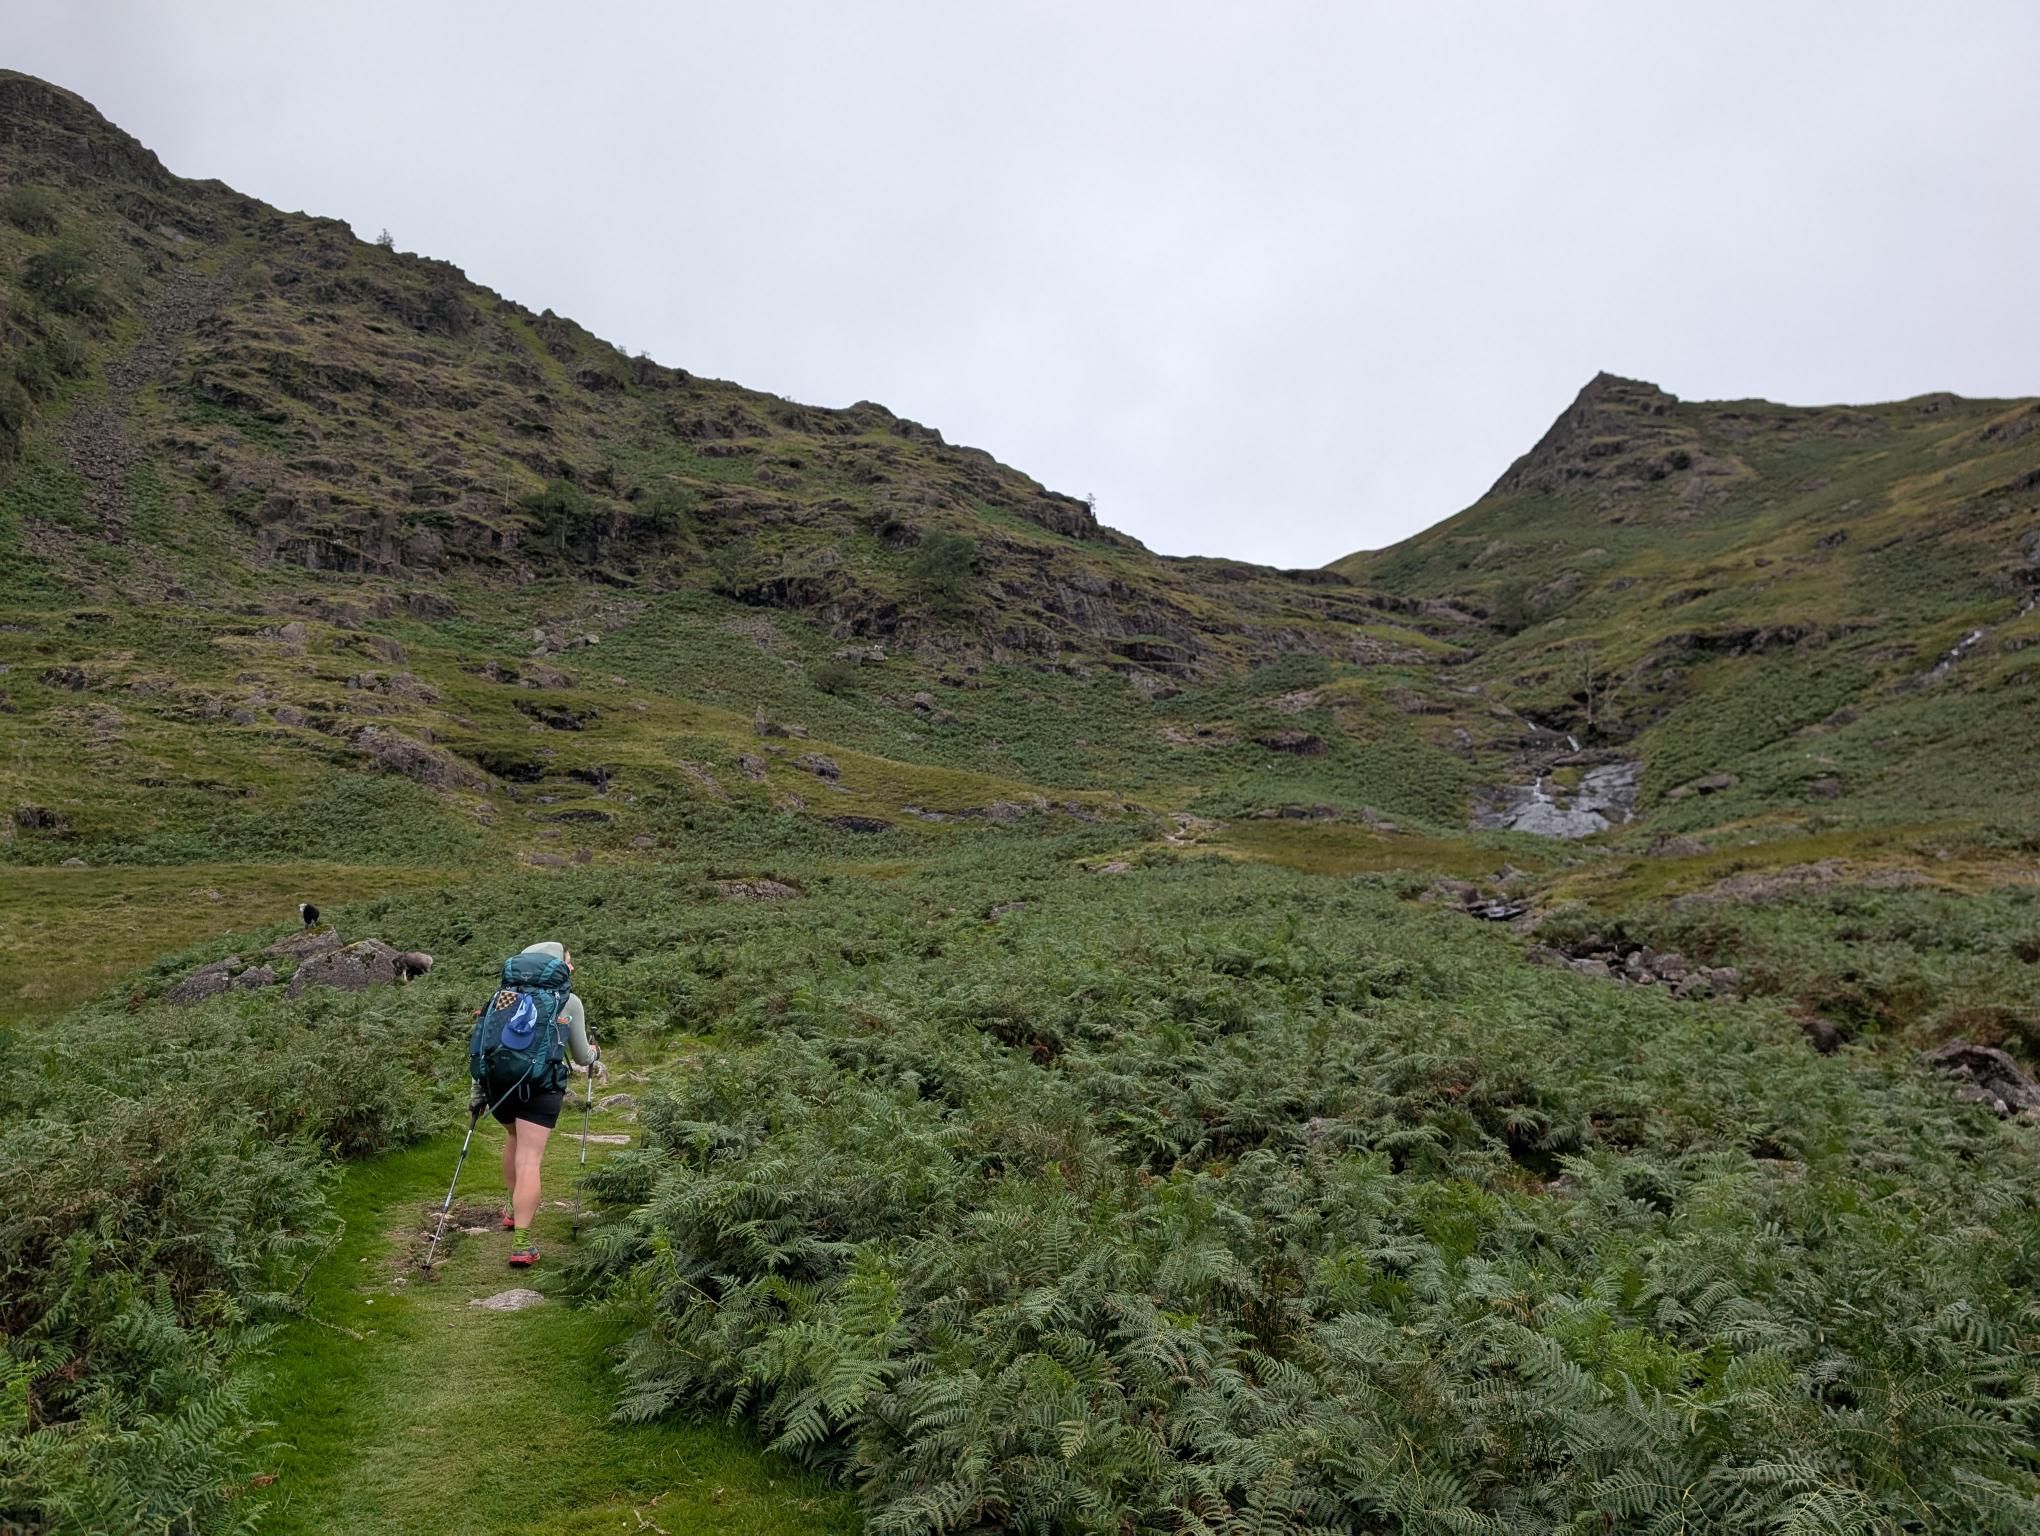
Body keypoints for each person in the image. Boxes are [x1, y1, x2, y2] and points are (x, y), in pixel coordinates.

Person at [491, 940, 604, 1268]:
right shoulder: (569, 1001)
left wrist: (478, 1092)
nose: (571, 966)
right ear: (555, 964)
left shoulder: (504, 996)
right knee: (529, 1159)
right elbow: (583, 1057)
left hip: (500, 1086)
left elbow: (486, 1043)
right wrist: (596, 1053)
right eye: (568, 961)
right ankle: (522, 1244)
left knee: (513, 1139)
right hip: (541, 1087)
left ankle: (513, 1211)